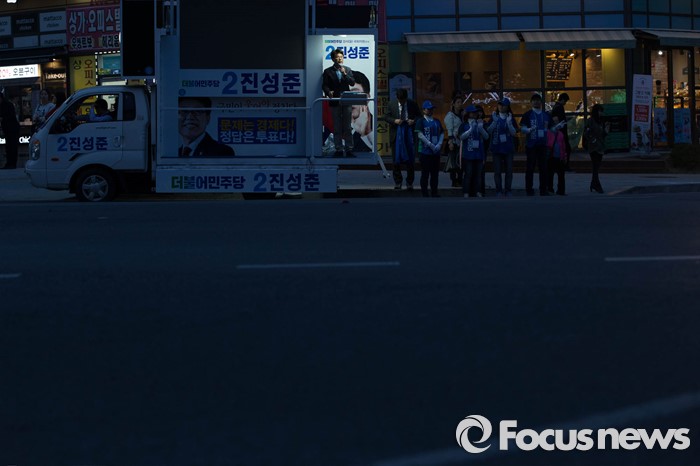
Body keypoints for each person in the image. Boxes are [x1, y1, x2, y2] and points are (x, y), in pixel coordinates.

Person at [383, 88, 420, 190]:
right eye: (400, 101)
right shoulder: (392, 104)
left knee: (410, 159)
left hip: (409, 133)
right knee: (396, 159)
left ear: (406, 98)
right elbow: (386, 117)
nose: (402, 102)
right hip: (396, 134)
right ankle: (398, 182)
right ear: (397, 98)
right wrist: (394, 120)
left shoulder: (412, 104)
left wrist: (413, 121)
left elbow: (419, 116)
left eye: (403, 101)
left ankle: (409, 182)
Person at [321, 48, 356, 157]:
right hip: (334, 101)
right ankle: (339, 149)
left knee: (347, 126)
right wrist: (328, 92)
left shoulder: (347, 69)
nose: (340, 59)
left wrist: (344, 74)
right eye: (337, 57)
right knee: (336, 126)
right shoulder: (328, 71)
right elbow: (324, 85)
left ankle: (349, 149)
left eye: (341, 57)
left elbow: (352, 83)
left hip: (346, 100)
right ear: (333, 59)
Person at [520, 93, 551, 196]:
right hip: (531, 145)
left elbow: (550, 128)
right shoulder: (527, 114)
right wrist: (529, 130)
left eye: (538, 100)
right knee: (530, 167)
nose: (536, 102)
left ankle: (543, 189)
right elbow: (522, 128)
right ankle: (529, 189)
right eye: (534, 100)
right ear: (531, 102)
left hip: (543, 144)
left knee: (543, 168)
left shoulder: (546, 115)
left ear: (541, 102)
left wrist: (555, 128)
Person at [487, 97, 518, 197]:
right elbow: (488, 131)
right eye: (500, 104)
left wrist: (509, 123)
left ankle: (508, 190)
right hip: (497, 148)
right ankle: (498, 190)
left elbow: (514, 133)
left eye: (503, 105)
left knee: (509, 171)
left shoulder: (510, 118)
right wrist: (494, 122)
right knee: (497, 171)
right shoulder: (494, 117)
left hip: (508, 148)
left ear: (507, 107)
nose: (501, 106)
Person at [415, 100, 444, 197]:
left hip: (436, 151)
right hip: (425, 151)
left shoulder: (436, 121)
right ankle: (424, 192)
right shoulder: (421, 121)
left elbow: (442, 133)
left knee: (435, 173)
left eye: (432, 109)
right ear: (424, 110)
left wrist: (439, 144)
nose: (430, 111)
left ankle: (434, 191)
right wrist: (430, 144)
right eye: (428, 109)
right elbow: (420, 135)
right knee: (425, 173)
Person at [459, 105, 489, 198]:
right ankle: (466, 192)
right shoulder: (464, 125)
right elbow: (461, 137)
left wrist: (481, 128)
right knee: (468, 174)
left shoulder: (480, 124)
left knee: (478, 175)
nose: (475, 114)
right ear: (468, 114)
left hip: (478, 154)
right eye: (473, 112)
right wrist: (470, 129)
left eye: (476, 112)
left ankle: (478, 191)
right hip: (468, 154)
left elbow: (486, 137)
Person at [586, 104, 610, 193]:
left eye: (601, 111)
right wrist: (593, 140)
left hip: (600, 146)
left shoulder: (600, 121)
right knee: (595, 166)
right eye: (600, 111)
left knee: (596, 167)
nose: (601, 113)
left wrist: (606, 130)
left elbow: (602, 135)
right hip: (593, 147)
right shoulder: (590, 121)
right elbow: (587, 133)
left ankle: (594, 183)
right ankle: (597, 185)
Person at [349, 70, 373, 152]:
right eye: (345, 94)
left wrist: (365, 133)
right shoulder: (334, 123)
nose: (349, 100)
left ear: (367, 97)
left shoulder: (373, 125)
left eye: (355, 94)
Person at [443, 96, 464, 187]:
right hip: (454, 141)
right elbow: (450, 130)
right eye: (458, 102)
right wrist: (450, 142)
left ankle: (460, 179)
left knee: (460, 161)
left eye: (461, 102)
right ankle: (454, 180)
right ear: (454, 104)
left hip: (461, 141)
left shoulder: (462, 115)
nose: (460, 104)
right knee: (453, 161)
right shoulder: (450, 115)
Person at [546, 116, 568, 195]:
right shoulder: (549, 132)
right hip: (552, 156)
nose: (556, 123)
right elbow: (548, 143)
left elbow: (563, 145)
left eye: (557, 121)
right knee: (550, 174)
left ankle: (561, 190)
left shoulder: (560, 134)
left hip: (559, 157)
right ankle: (550, 189)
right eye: (554, 121)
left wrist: (564, 156)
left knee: (561, 175)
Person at [550, 92, 571, 172]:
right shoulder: (559, 107)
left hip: (559, 132)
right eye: (565, 101)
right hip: (561, 132)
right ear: (562, 99)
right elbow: (556, 119)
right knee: (566, 149)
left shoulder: (556, 107)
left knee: (562, 149)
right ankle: (564, 166)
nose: (565, 103)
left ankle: (561, 166)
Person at [0, 91, 20, 169]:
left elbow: (9, 117)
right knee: (9, 147)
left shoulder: (7, 105)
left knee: (12, 146)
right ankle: (10, 163)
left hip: (12, 129)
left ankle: (12, 163)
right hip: (8, 129)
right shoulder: (7, 105)